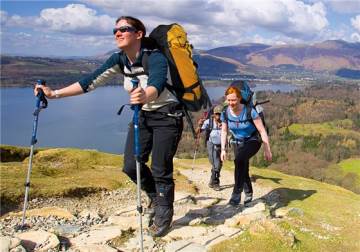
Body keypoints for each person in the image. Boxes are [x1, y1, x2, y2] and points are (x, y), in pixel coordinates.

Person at [34, 16, 183, 237]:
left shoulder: (155, 58)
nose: (118, 33)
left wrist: (145, 95)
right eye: (115, 30)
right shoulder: (119, 59)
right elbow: (90, 81)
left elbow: (157, 83)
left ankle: (164, 211)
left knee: (161, 168)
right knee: (131, 166)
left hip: (167, 116)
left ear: (139, 34)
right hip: (142, 114)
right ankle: (153, 196)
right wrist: (54, 94)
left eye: (124, 29)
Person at [220, 85, 272, 206]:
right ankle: (248, 192)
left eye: (233, 100)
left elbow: (262, 130)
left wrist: (267, 148)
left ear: (239, 98)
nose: (231, 103)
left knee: (239, 160)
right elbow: (224, 131)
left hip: (253, 140)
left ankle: (236, 194)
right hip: (237, 141)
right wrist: (223, 149)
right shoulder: (225, 113)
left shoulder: (249, 111)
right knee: (243, 167)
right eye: (229, 100)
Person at [196, 105, 223, 190]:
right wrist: (199, 125)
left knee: (219, 164)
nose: (218, 116)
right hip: (211, 144)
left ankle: (213, 181)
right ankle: (215, 181)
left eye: (220, 114)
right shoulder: (209, 122)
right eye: (217, 114)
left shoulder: (225, 122)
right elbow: (198, 131)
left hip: (221, 145)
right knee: (215, 163)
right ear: (214, 114)